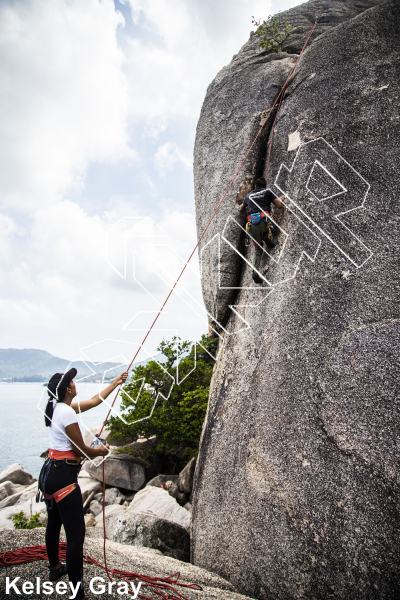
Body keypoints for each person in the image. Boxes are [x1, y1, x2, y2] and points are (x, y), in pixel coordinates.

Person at [42, 367, 128, 600]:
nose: (75, 382)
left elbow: (93, 401)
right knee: (76, 535)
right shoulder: (67, 413)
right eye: (72, 381)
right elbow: (80, 449)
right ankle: (77, 593)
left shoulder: (58, 408)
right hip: (64, 479)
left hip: (50, 475)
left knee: (53, 525)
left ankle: (55, 569)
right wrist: (101, 451)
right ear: (68, 388)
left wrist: (115, 383)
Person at [239, 178, 285, 284]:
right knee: (273, 219)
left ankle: (255, 272)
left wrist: (244, 205)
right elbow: (279, 205)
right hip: (265, 222)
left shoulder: (249, 196)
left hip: (251, 226)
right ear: (264, 186)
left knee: (257, 249)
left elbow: (241, 208)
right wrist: (283, 197)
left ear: (255, 186)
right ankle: (267, 237)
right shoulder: (267, 191)